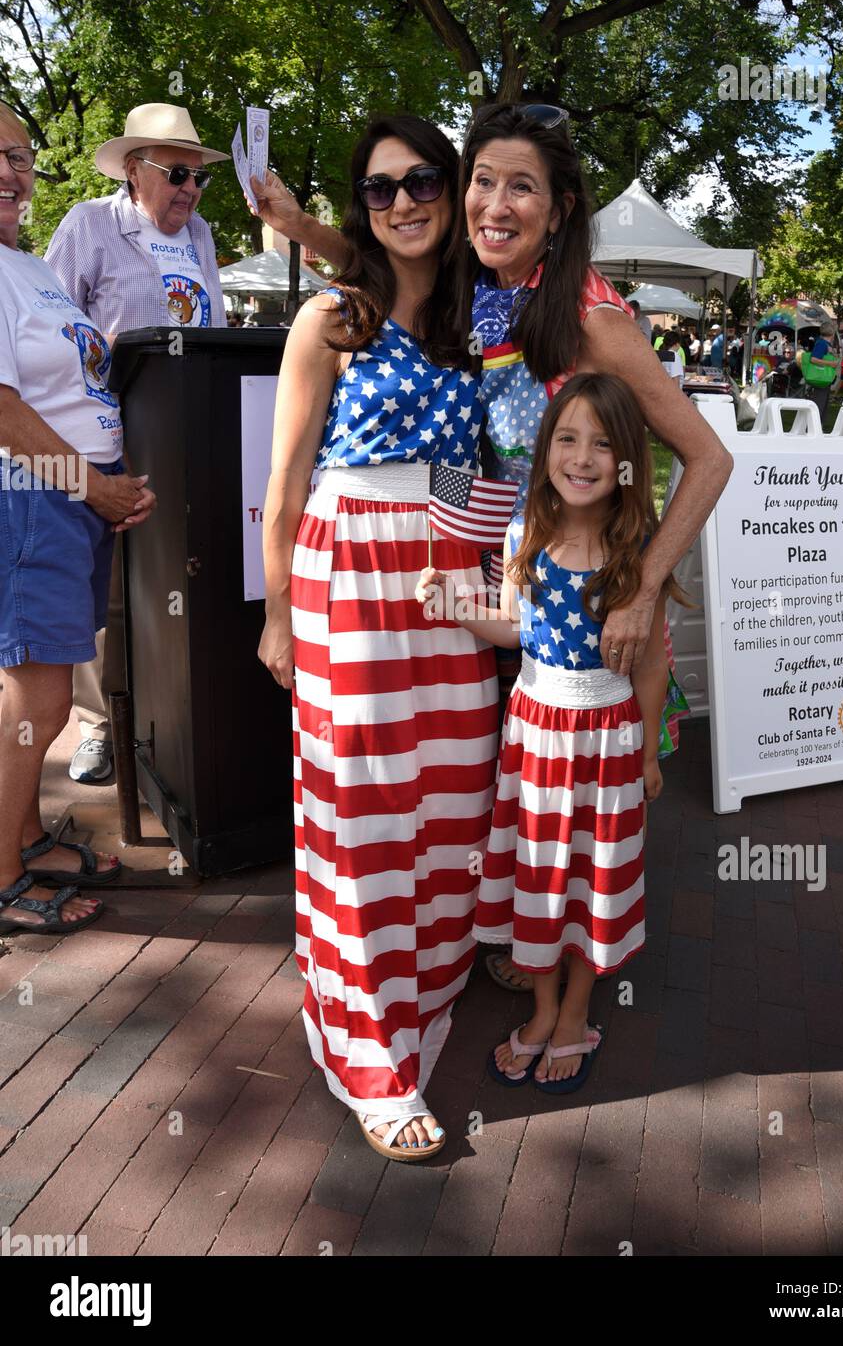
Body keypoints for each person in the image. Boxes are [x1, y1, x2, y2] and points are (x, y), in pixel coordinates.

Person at [252, 104, 731, 991]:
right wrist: (297, 225)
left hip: (600, 596)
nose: (493, 204)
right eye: (482, 180)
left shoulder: (592, 317)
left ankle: (581, 991)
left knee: (604, 791)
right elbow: (391, 248)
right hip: (509, 584)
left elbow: (709, 458)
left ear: (560, 209)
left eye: (523, 187)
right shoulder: (484, 291)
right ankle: (524, 943)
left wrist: (642, 588)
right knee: (521, 778)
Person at [257, 115, 500, 1160]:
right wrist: (276, 610)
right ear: (361, 207)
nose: (402, 201)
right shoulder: (330, 317)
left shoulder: (473, 321)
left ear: (451, 192)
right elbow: (287, 477)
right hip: (346, 567)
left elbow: (460, 461)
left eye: (422, 182)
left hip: (446, 571)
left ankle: (434, 973)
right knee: (357, 805)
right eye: (378, 188)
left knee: (451, 794)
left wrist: (471, 564)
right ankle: (371, 1054)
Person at [417, 372, 679, 1091]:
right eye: (567, 438)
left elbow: (652, 665)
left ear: (627, 459)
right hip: (533, 739)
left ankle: (574, 1014)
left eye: (602, 442)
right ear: (545, 450)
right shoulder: (523, 531)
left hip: (608, 746)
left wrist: (649, 751)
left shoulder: (639, 553)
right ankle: (540, 1005)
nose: (583, 456)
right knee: (540, 877)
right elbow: (514, 629)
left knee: (591, 882)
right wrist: (453, 607)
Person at [0, 101, 155, 936]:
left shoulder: (28, 264)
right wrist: (93, 489)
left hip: (72, 499)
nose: (7, 172)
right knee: (39, 695)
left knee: (48, 691)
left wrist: (113, 482)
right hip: (34, 499)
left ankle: (22, 839)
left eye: (17, 155)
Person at [45, 103, 229, 786]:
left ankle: (171, 714)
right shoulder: (89, 225)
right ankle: (98, 725)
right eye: (178, 173)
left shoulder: (203, 234)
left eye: (199, 178)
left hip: (191, 433)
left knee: (176, 574)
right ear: (134, 170)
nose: (190, 189)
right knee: (111, 583)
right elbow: (48, 329)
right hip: (110, 436)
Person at [801, 320, 840, 424]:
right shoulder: (822, 343)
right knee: (819, 404)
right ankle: (813, 426)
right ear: (832, 333)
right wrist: (831, 364)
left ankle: (817, 426)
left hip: (823, 379)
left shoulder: (823, 343)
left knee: (822, 404)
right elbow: (813, 359)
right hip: (820, 379)